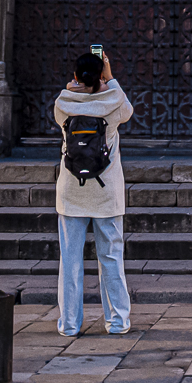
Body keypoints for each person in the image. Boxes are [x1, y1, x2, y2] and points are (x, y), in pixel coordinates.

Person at [53, 49, 134, 337]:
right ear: (101, 76)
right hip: (106, 193)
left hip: (71, 192)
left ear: (75, 76)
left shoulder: (63, 104)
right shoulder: (114, 105)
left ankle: (70, 324)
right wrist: (110, 79)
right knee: (111, 258)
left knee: (70, 260)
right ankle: (117, 321)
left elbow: (68, 96)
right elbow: (127, 108)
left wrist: (71, 85)